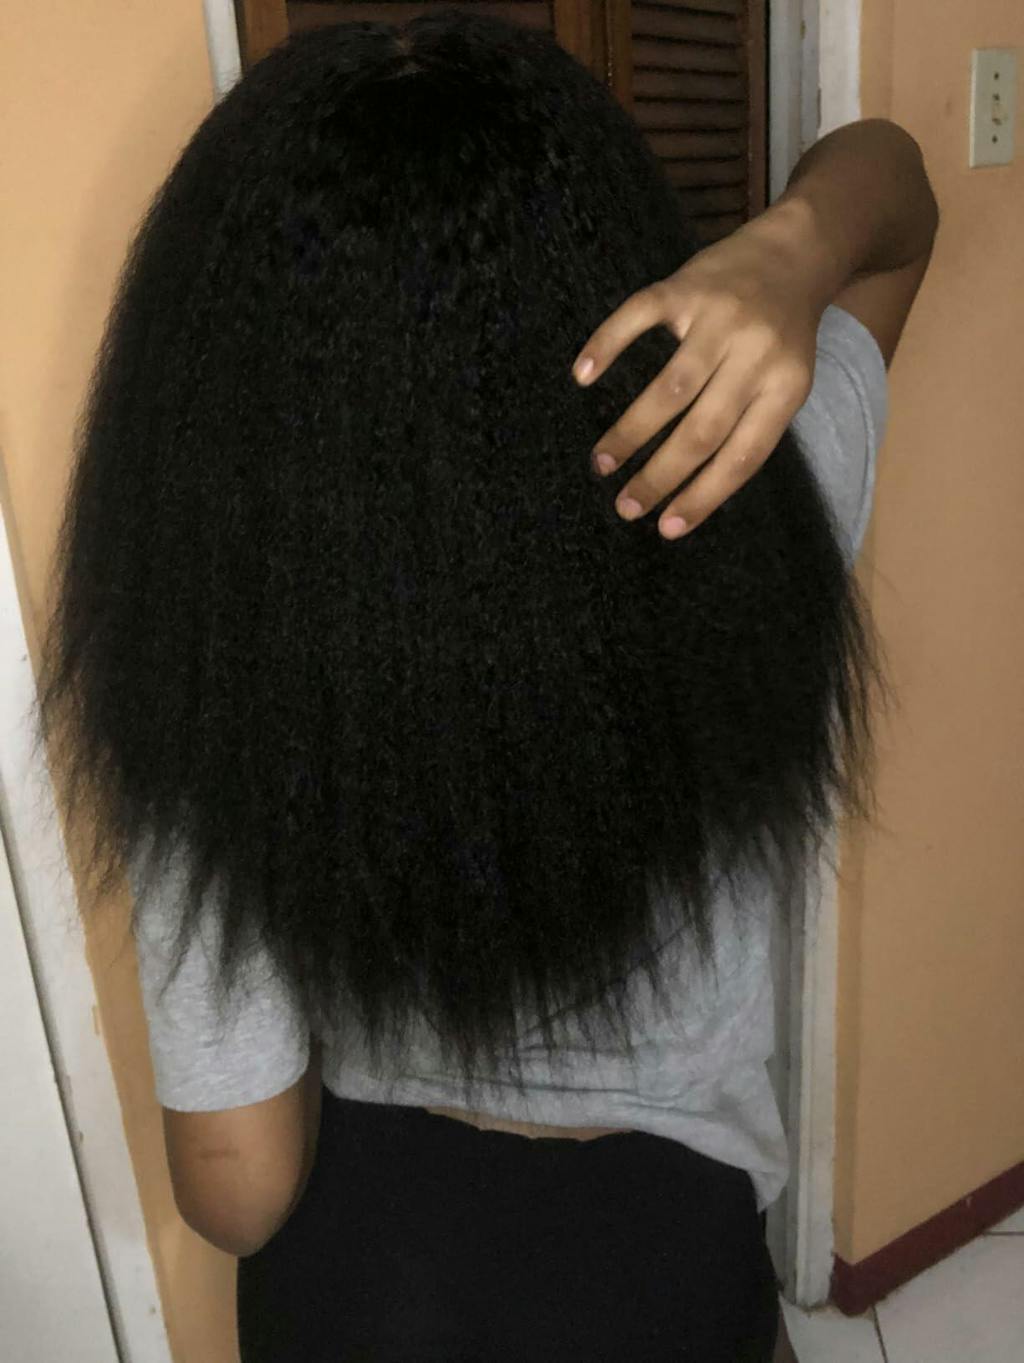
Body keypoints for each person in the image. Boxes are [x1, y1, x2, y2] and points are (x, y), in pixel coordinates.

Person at [32, 11, 938, 1363]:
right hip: (671, 1276)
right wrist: (793, 248)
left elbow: (240, 1189)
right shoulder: (744, 475)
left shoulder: (216, 647)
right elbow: (901, 198)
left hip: (365, 1297)